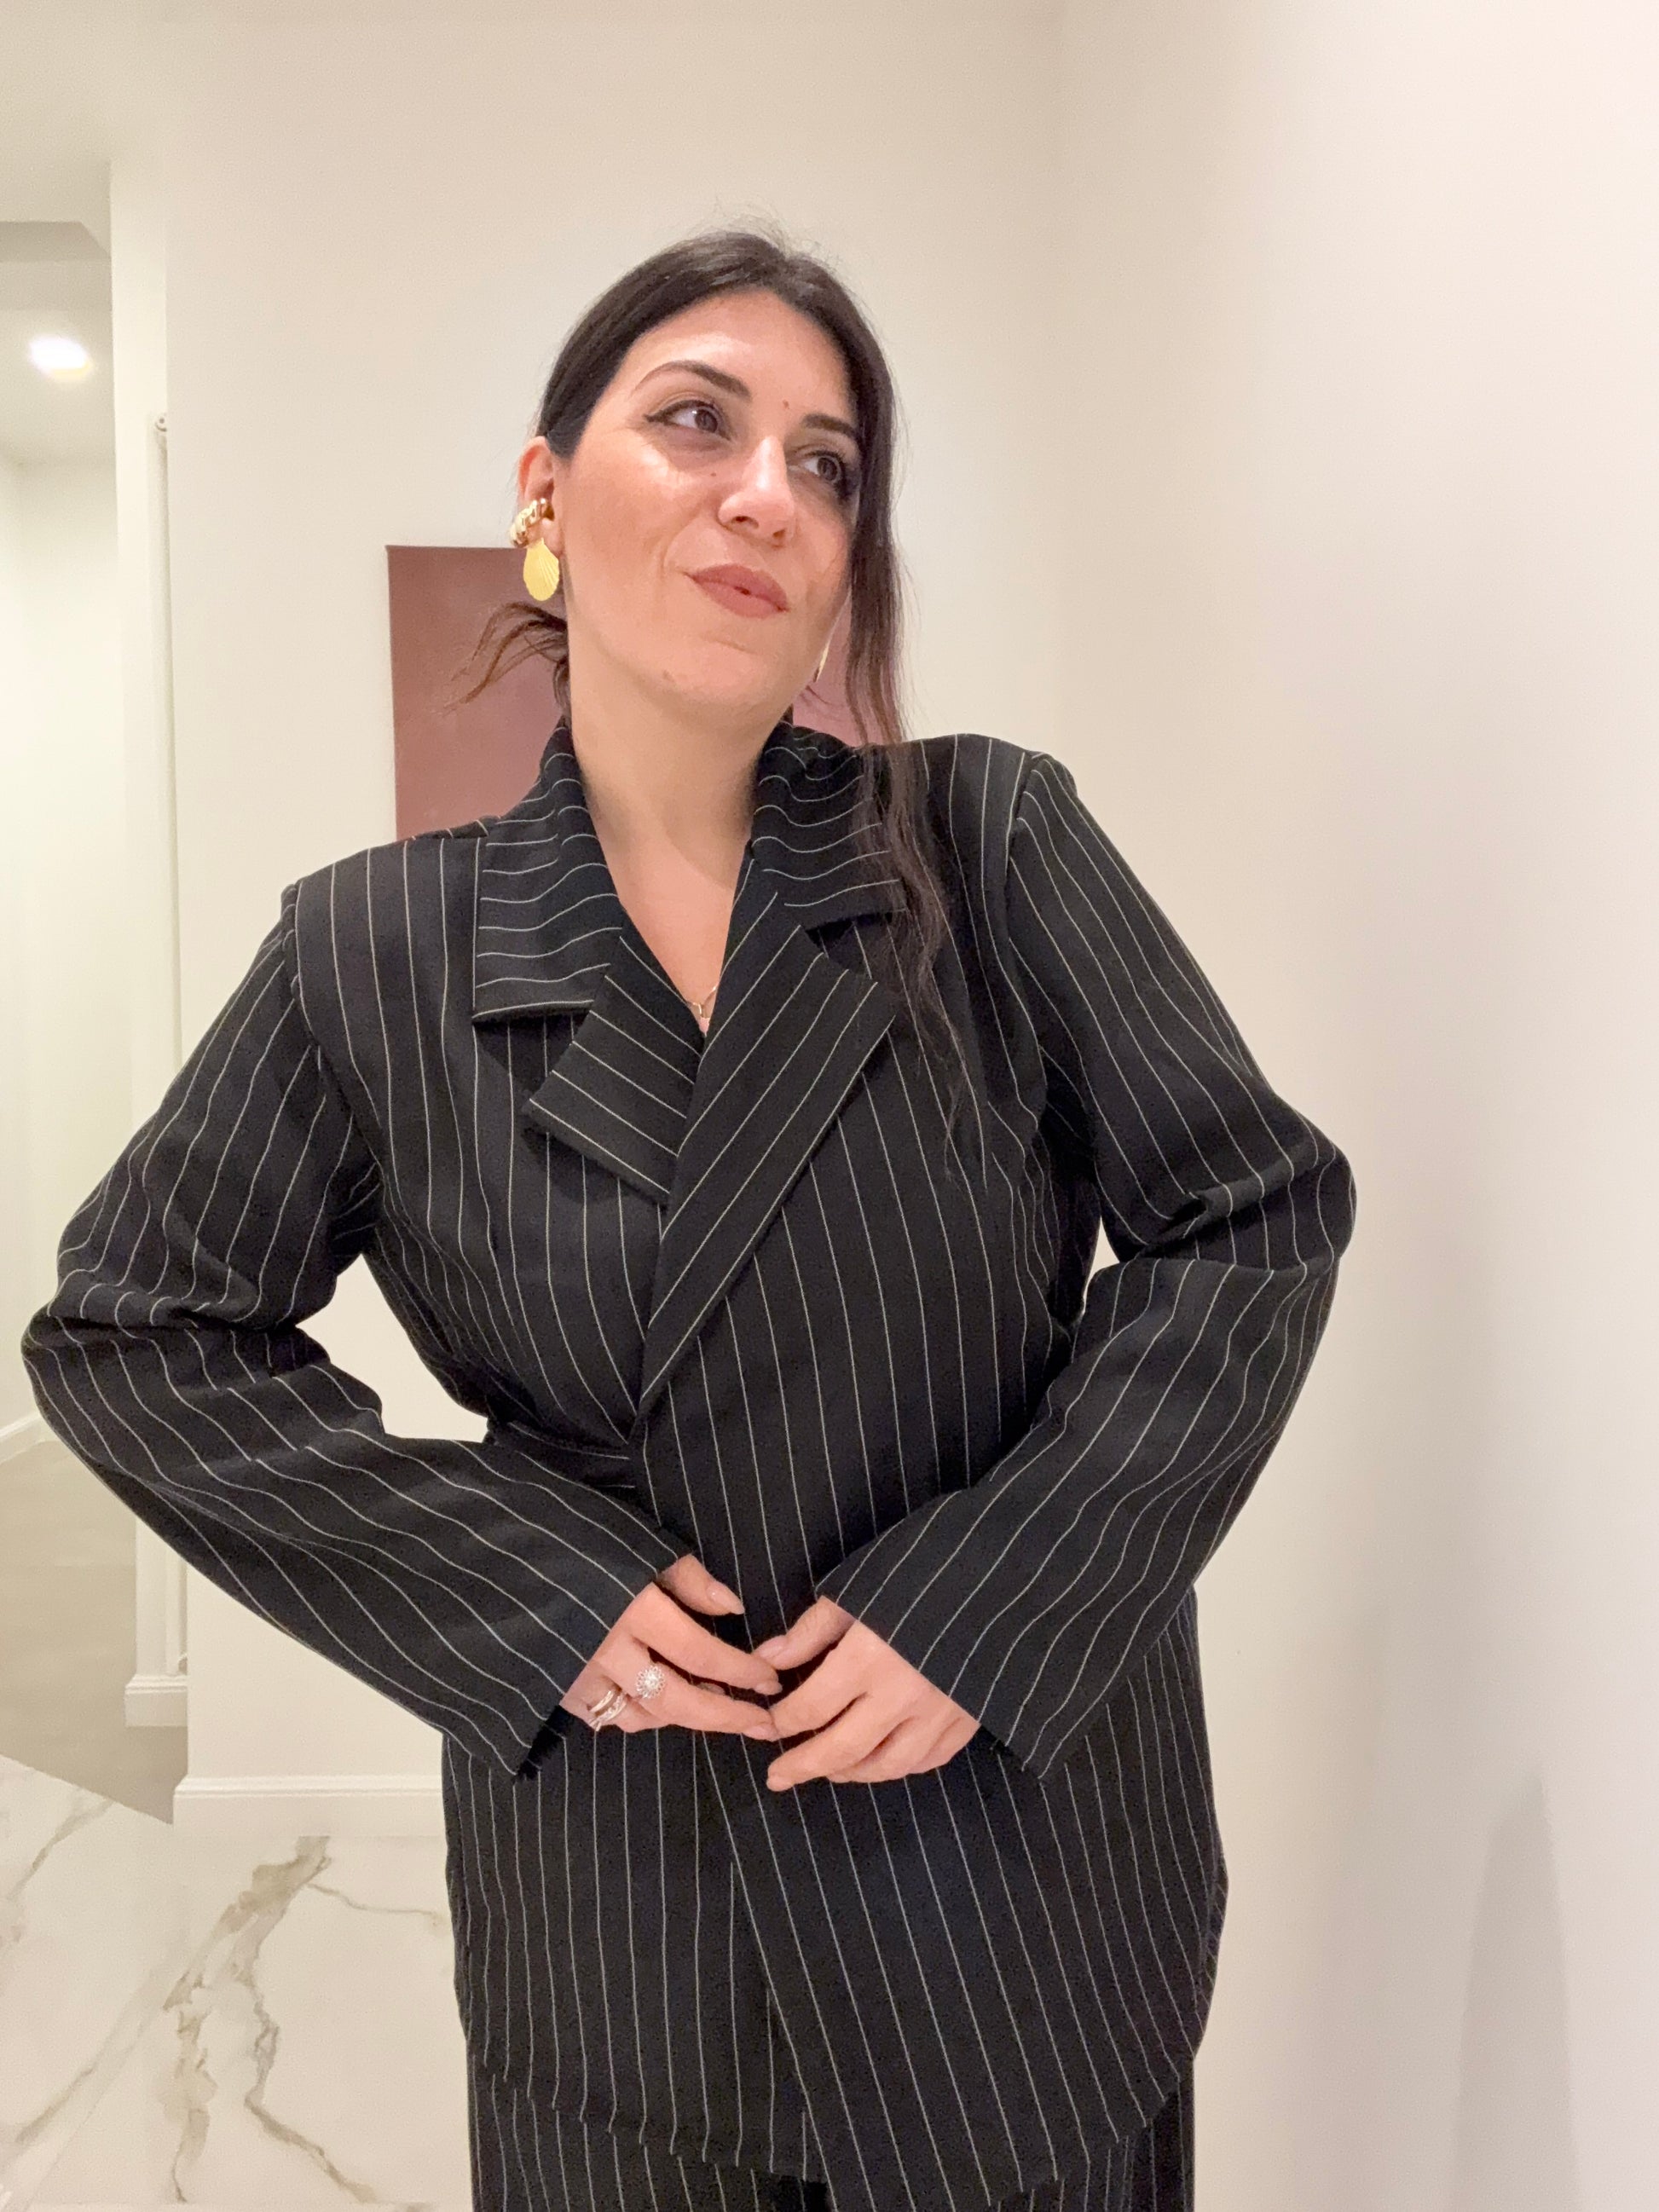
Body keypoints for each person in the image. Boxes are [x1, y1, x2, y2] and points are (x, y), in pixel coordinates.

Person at [21, 225, 1356, 2212]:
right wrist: (528, 1587)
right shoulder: (375, 950)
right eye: (696, 421)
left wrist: (992, 1592)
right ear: (546, 494)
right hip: (635, 1931)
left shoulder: (988, 842)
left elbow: (1247, 1213)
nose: (766, 494)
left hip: (1021, 1895)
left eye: (826, 464)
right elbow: (135, 1330)